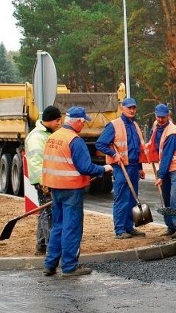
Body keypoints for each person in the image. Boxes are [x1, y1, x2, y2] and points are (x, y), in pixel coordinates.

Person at [42, 106, 112, 277]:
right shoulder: (75, 140)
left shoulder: (53, 137)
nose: (83, 125)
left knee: (58, 226)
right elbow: (85, 167)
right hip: (71, 189)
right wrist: (104, 169)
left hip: (55, 187)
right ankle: (69, 266)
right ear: (78, 122)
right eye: (83, 122)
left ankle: (50, 264)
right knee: (71, 228)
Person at [95, 97, 147, 239]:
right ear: (122, 108)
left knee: (132, 199)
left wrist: (140, 167)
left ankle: (129, 227)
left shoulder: (135, 125)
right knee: (122, 198)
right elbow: (100, 144)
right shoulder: (114, 125)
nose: (131, 110)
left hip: (133, 167)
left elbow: (137, 148)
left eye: (134, 108)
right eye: (129, 107)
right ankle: (120, 230)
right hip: (121, 167)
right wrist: (113, 154)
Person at [25, 105, 62, 256]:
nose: (60, 123)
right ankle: (50, 247)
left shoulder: (47, 134)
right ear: (50, 120)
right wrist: (43, 182)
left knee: (44, 212)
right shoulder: (37, 137)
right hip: (43, 182)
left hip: (48, 179)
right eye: (58, 120)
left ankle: (41, 245)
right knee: (48, 214)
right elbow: (36, 162)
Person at [147, 103, 176, 238]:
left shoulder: (172, 133)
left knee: (175, 198)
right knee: (166, 199)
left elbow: (168, 156)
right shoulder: (157, 127)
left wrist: (161, 175)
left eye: (162, 118)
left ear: (168, 116)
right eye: (158, 117)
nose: (160, 120)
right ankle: (170, 227)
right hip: (165, 167)